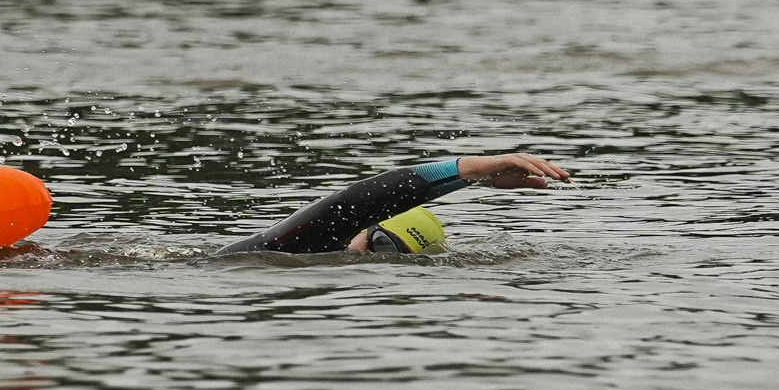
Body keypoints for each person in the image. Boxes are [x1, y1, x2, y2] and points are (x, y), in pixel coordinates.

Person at [218, 153, 572, 257]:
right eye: (381, 246)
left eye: (394, 256)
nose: (369, 256)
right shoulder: (273, 251)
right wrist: (469, 171)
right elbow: (348, 205)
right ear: (367, 228)